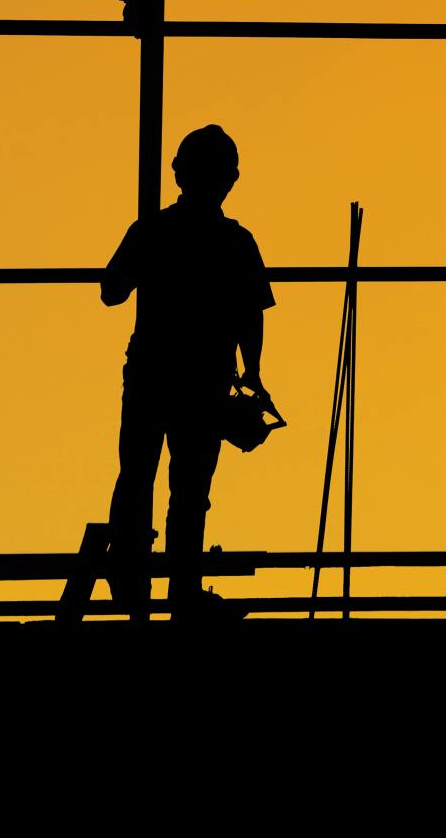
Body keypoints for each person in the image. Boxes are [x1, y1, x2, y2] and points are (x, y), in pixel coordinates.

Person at [100, 124, 274, 620]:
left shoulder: (152, 231)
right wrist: (253, 373)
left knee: (137, 476)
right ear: (231, 179)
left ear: (179, 173)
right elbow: (251, 314)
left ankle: (131, 589)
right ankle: (182, 592)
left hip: (154, 370)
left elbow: (111, 291)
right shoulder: (236, 242)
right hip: (204, 378)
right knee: (190, 488)